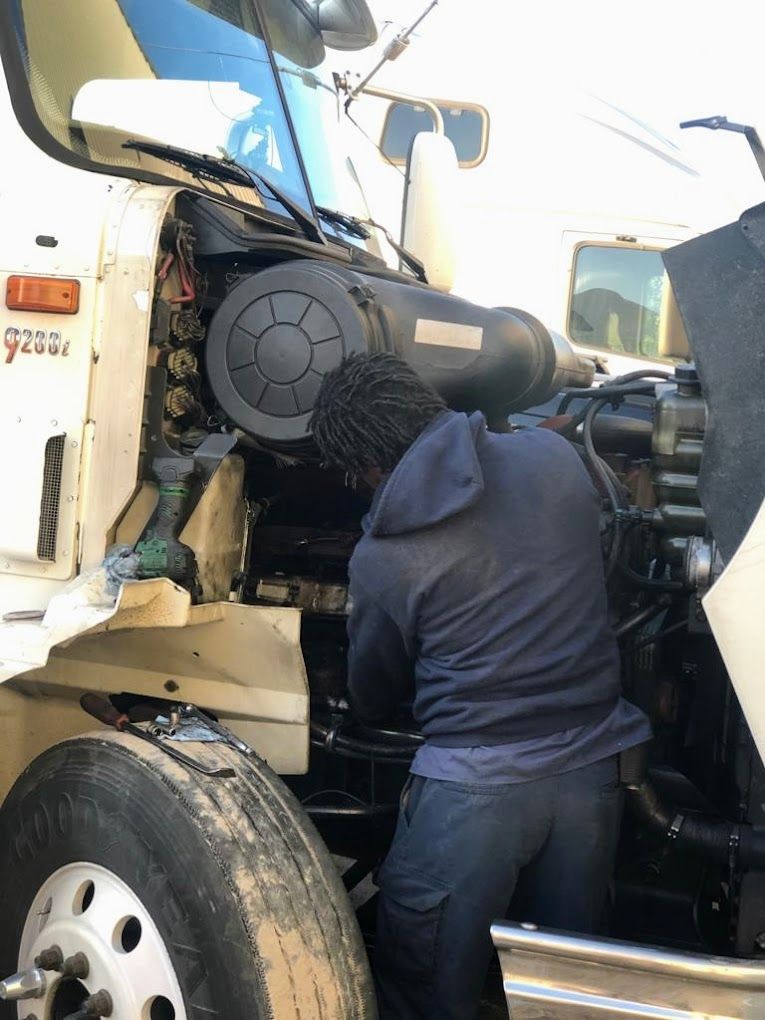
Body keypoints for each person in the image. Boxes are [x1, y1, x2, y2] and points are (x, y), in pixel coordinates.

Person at [310, 352, 652, 1020]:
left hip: (472, 798)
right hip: (592, 775)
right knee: (563, 994)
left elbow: (375, 694)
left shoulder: (381, 558)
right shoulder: (555, 461)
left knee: (427, 990)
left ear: (366, 468)